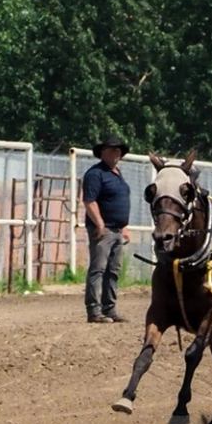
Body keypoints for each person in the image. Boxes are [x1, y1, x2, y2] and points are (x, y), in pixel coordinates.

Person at [81, 134, 133, 323]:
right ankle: (94, 311)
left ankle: (109, 308)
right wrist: (100, 224)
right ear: (103, 152)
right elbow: (89, 201)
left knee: (113, 270)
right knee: (98, 269)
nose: (116, 153)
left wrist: (124, 227)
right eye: (112, 149)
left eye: (118, 150)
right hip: (104, 230)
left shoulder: (117, 174)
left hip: (117, 230)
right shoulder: (95, 174)